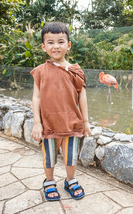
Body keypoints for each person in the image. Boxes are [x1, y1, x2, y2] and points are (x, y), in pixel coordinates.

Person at [30, 22, 91, 201]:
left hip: (71, 123)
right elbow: (36, 98)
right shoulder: (40, 71)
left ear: (68, 45)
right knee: (49, 157)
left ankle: (70, 180)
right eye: (50, 42)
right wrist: (36, 123)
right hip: (48, 124)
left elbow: (82, 97)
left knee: (71, 157)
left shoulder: (75, 71)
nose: (55, 46)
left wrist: (86, 122)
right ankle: (49, 181)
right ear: (43, 47)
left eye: (60, 41)